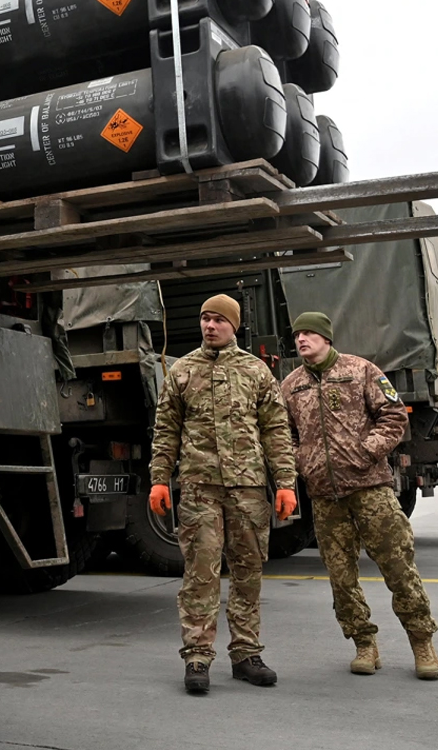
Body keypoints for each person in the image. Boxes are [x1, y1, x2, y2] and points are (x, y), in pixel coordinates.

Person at [279, 312, 438, 679]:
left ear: (326, 338)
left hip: (370, 489)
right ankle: (364, 644)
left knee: (398, 565)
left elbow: (394, 415)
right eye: (297, 334)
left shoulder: (361, 370)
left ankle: (422, 642)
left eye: (308, 333)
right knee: (341, 576)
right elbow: (282, 434)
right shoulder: (290, 385)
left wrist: (368, 450)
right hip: (324, 495)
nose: (302, 339)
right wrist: (301, 462)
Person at [149, 293, 297, 694]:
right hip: (199, 488)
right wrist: (159, 478)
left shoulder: (256, 372)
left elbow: (276, 431)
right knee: (200, 573)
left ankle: (246, 654)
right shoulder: (182, 371)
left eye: (218, 320)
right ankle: (197, 657)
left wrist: (285, 483)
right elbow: (166, 431)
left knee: (248, 572)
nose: (209, 326)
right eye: (205, 319)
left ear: (234, 326)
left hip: (248, 488)